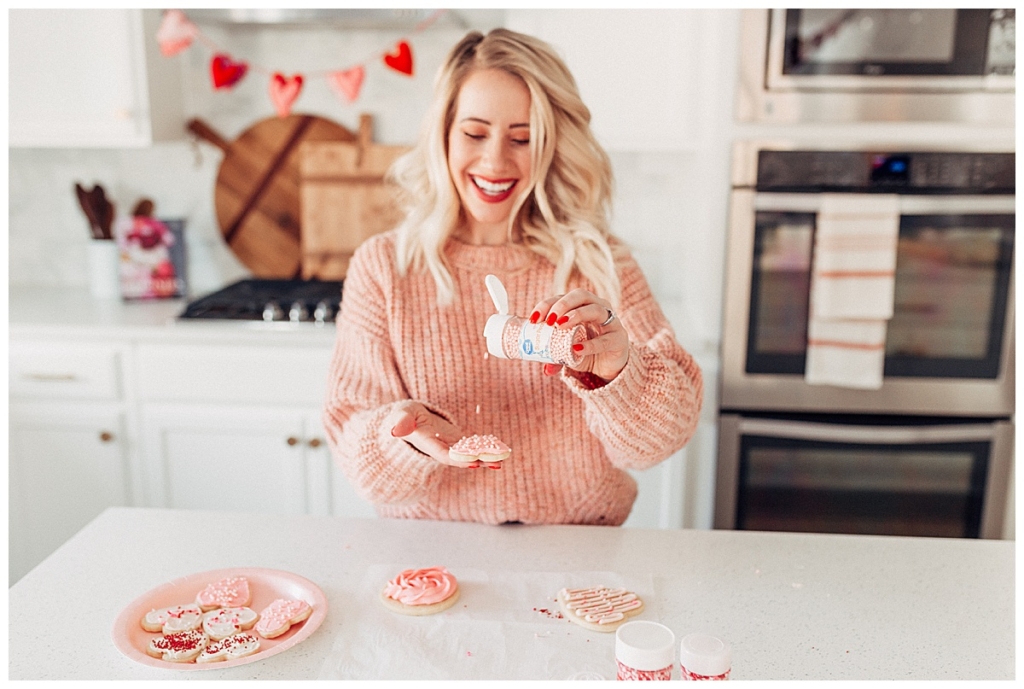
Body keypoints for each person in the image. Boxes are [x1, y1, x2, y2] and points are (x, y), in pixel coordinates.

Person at [323, 28, 702, 526]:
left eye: (522, 138)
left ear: (551, 145)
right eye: (475, 133)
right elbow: (359, 458)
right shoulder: (384, 268)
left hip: (578, 549)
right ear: (443, 134)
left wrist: (619, 373)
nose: (495, 161)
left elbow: (661, 441)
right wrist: (401, 436)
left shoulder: (597, 262)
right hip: (435, 556)